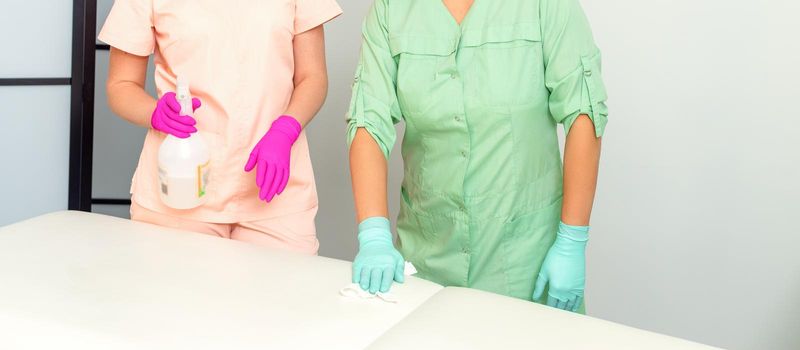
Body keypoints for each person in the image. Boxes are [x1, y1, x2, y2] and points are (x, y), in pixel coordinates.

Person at [347, 0, 607, 313]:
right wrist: (374, 234)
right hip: (427, 259)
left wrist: (572, 240)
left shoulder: (545, 6)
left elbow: (583, 113)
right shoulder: (392, 9)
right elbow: (368, 120)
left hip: (526, 262)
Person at [100, 0, 341, 254]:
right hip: (182, 186)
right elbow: (121, 85)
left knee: (283, 291)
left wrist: (286, 129)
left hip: (274, 189)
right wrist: (155, 113)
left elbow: (312, 77)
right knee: (174, 292)